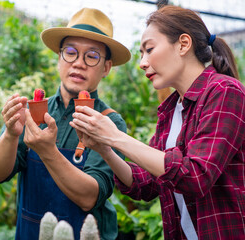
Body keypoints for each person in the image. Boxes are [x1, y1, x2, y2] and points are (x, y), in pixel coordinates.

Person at [70, 5, 245, 240]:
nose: (142, 62)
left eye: (149, 49)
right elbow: (146, 183)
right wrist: (106, 148)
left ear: (183, 44)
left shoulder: (224, 91)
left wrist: (116, 136)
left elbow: (196, 176)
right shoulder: (172, 109)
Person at [0, 8, 131, 240]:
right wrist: (11, 135)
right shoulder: (33, 111)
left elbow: (89, 198)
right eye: (70, 52)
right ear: (59, 58)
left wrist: (48, 151)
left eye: (92, 56)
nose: (79, 63)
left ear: (106, 68)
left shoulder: (110, 123)